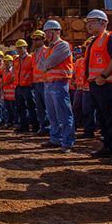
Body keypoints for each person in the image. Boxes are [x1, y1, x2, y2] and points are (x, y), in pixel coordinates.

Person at [84, 11, 112, 164]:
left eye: (92, 21)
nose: (88, 25)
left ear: (103, 22)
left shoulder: (111, 38)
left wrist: (103, 75)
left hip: (108, 83)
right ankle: (108, 147)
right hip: (97, 84)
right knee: (103, 119)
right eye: (87, 22)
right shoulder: (94, 41)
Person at [37, 20, 75, 154]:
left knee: (64, 113)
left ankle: (67, 142)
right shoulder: (49, 49)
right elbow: (41, 66)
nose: (46, 35)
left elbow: (49, 63)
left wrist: (46, 64)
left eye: (48, 32)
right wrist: (46, 64)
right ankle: (55, 139)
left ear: (56, 32)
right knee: (52, 114)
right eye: (45, 32)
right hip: (49, 83)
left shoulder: (62, 46)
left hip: (60, 83)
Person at [14, 39, 37, 133]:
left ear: (25, 48)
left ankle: (36, 126)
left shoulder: (31, 58)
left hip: (28, 86)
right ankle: (24, 126)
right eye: (18, 48)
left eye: (21, 48)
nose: (19, 50)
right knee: (20, 107)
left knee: (32, 107)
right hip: (18, 86)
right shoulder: (16, 60)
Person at [1, 55, 17, 128]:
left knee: (14, 109)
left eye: (8, 62)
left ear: (11, 62)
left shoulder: (14, 70)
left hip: (13, 94)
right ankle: (9, 122)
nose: (6, 63)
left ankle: (15, 122)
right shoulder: (4, 71)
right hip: (6, 94)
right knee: (7, 109)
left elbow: (13, 79)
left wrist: (4, 84)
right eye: (5, 62)